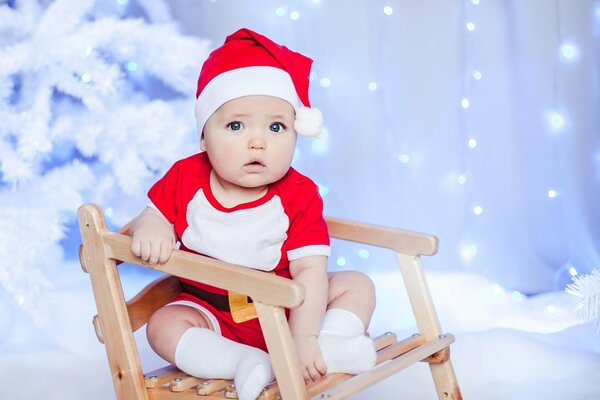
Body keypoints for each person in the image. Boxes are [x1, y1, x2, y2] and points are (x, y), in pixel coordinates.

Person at [128, 28, 376, 400]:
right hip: (212, 314)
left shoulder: (299, 194)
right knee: (163, 325)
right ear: (203, 138)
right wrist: (153, 227)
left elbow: (309, 270)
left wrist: (303, 335)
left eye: (276, 127)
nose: (257, 141)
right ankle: (242, 361)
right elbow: (154, 214)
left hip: (289, 312)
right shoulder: (185, 176)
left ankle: (325, 345)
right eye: (235, 125)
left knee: (357, 284)